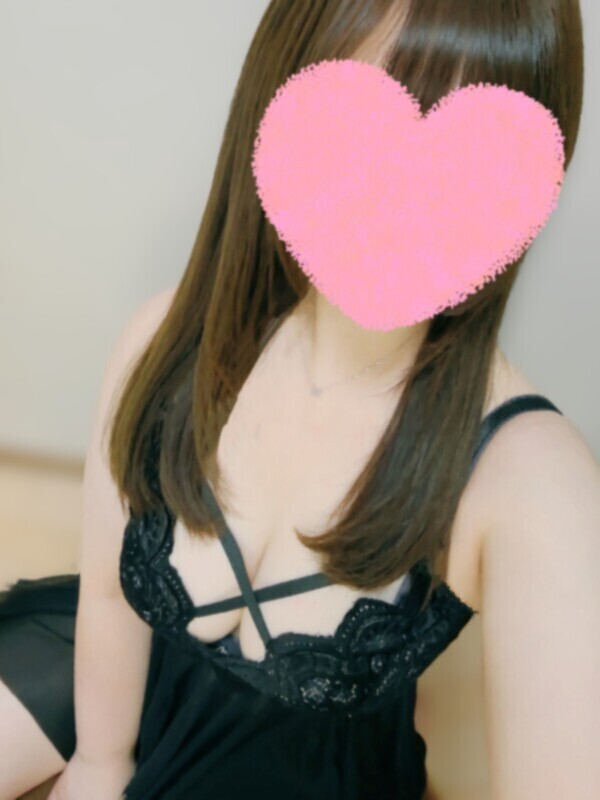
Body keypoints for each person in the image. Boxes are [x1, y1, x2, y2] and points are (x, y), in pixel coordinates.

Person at [1, 1, 597, 799]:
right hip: (112, 669)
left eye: (460, 163)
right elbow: (110, 595)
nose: (400, 201)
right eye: (360, 128)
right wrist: (99, 768)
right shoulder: (165, 339)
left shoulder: (531, 476)